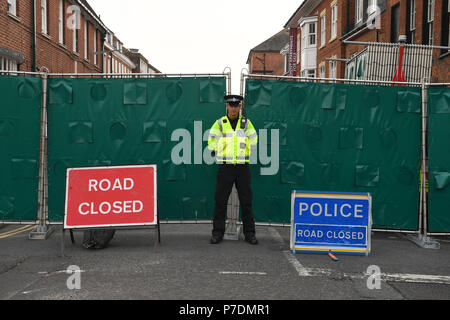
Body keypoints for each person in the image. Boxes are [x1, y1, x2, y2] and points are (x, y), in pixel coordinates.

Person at [207, 94, 258, 245]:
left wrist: (249, 150)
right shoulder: (220, 123)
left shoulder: (246, 123)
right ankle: (217, 233)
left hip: (242, 167)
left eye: (237, 105)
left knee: (246, 201)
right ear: (226, 106)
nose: (234, 108)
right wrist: (215, 149)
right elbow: (211, 140)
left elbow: (254, 139)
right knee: (220, 201)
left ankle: (249, 233)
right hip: (225, 167)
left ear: (240, 107)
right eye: (231, 105)